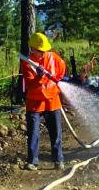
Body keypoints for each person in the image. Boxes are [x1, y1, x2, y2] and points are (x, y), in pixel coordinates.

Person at [20, 32, 66, 171]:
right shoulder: (27, 62)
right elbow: (30, 84)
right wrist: (39, 76)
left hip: (52, 99)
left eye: (44, 50)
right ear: (32, 49)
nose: (43, 53)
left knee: (56, 132)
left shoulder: (53, 57)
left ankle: (58, 160)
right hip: (35, 102)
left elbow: (62, 69)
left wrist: (57, 79)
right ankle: (33, 161)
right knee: (33, 132)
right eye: (40, 51)